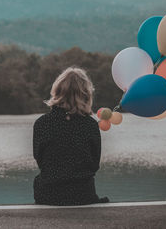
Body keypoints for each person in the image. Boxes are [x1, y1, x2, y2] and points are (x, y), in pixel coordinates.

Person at [33, 67, 109, 205]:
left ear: (56, 91)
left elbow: (41, 161)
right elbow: (93, 165)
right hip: (82, 195)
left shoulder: (41, 123)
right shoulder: (90, 125)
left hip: (48, 195)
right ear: (86, 94)